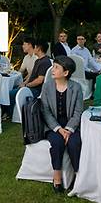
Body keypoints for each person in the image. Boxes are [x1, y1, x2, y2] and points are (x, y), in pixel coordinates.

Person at [40, 56, 83, 193]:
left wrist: (69, 129)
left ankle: (78, 176)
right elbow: (45, 112)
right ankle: (57, 175)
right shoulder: (47, 86)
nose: (52, 69)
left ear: (66, 73)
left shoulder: (76, 88)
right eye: (53, 66)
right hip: (53, 126)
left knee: (74, 143)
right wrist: (59, 129)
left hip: (72, 125)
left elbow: (78, 112)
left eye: (56, 67)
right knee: (57, 142)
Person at [4, 37, 37, 121]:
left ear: (30, 45)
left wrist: (24, 83)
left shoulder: (36, 57)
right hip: (28, 82)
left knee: (11, 93)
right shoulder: (26, 57)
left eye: (24, 44)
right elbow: (21, 71)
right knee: (9, 90)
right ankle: (6, 112)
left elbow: (32, 74)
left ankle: (9, 114)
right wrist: (11, 72)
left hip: (33, 85)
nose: (23, 46)